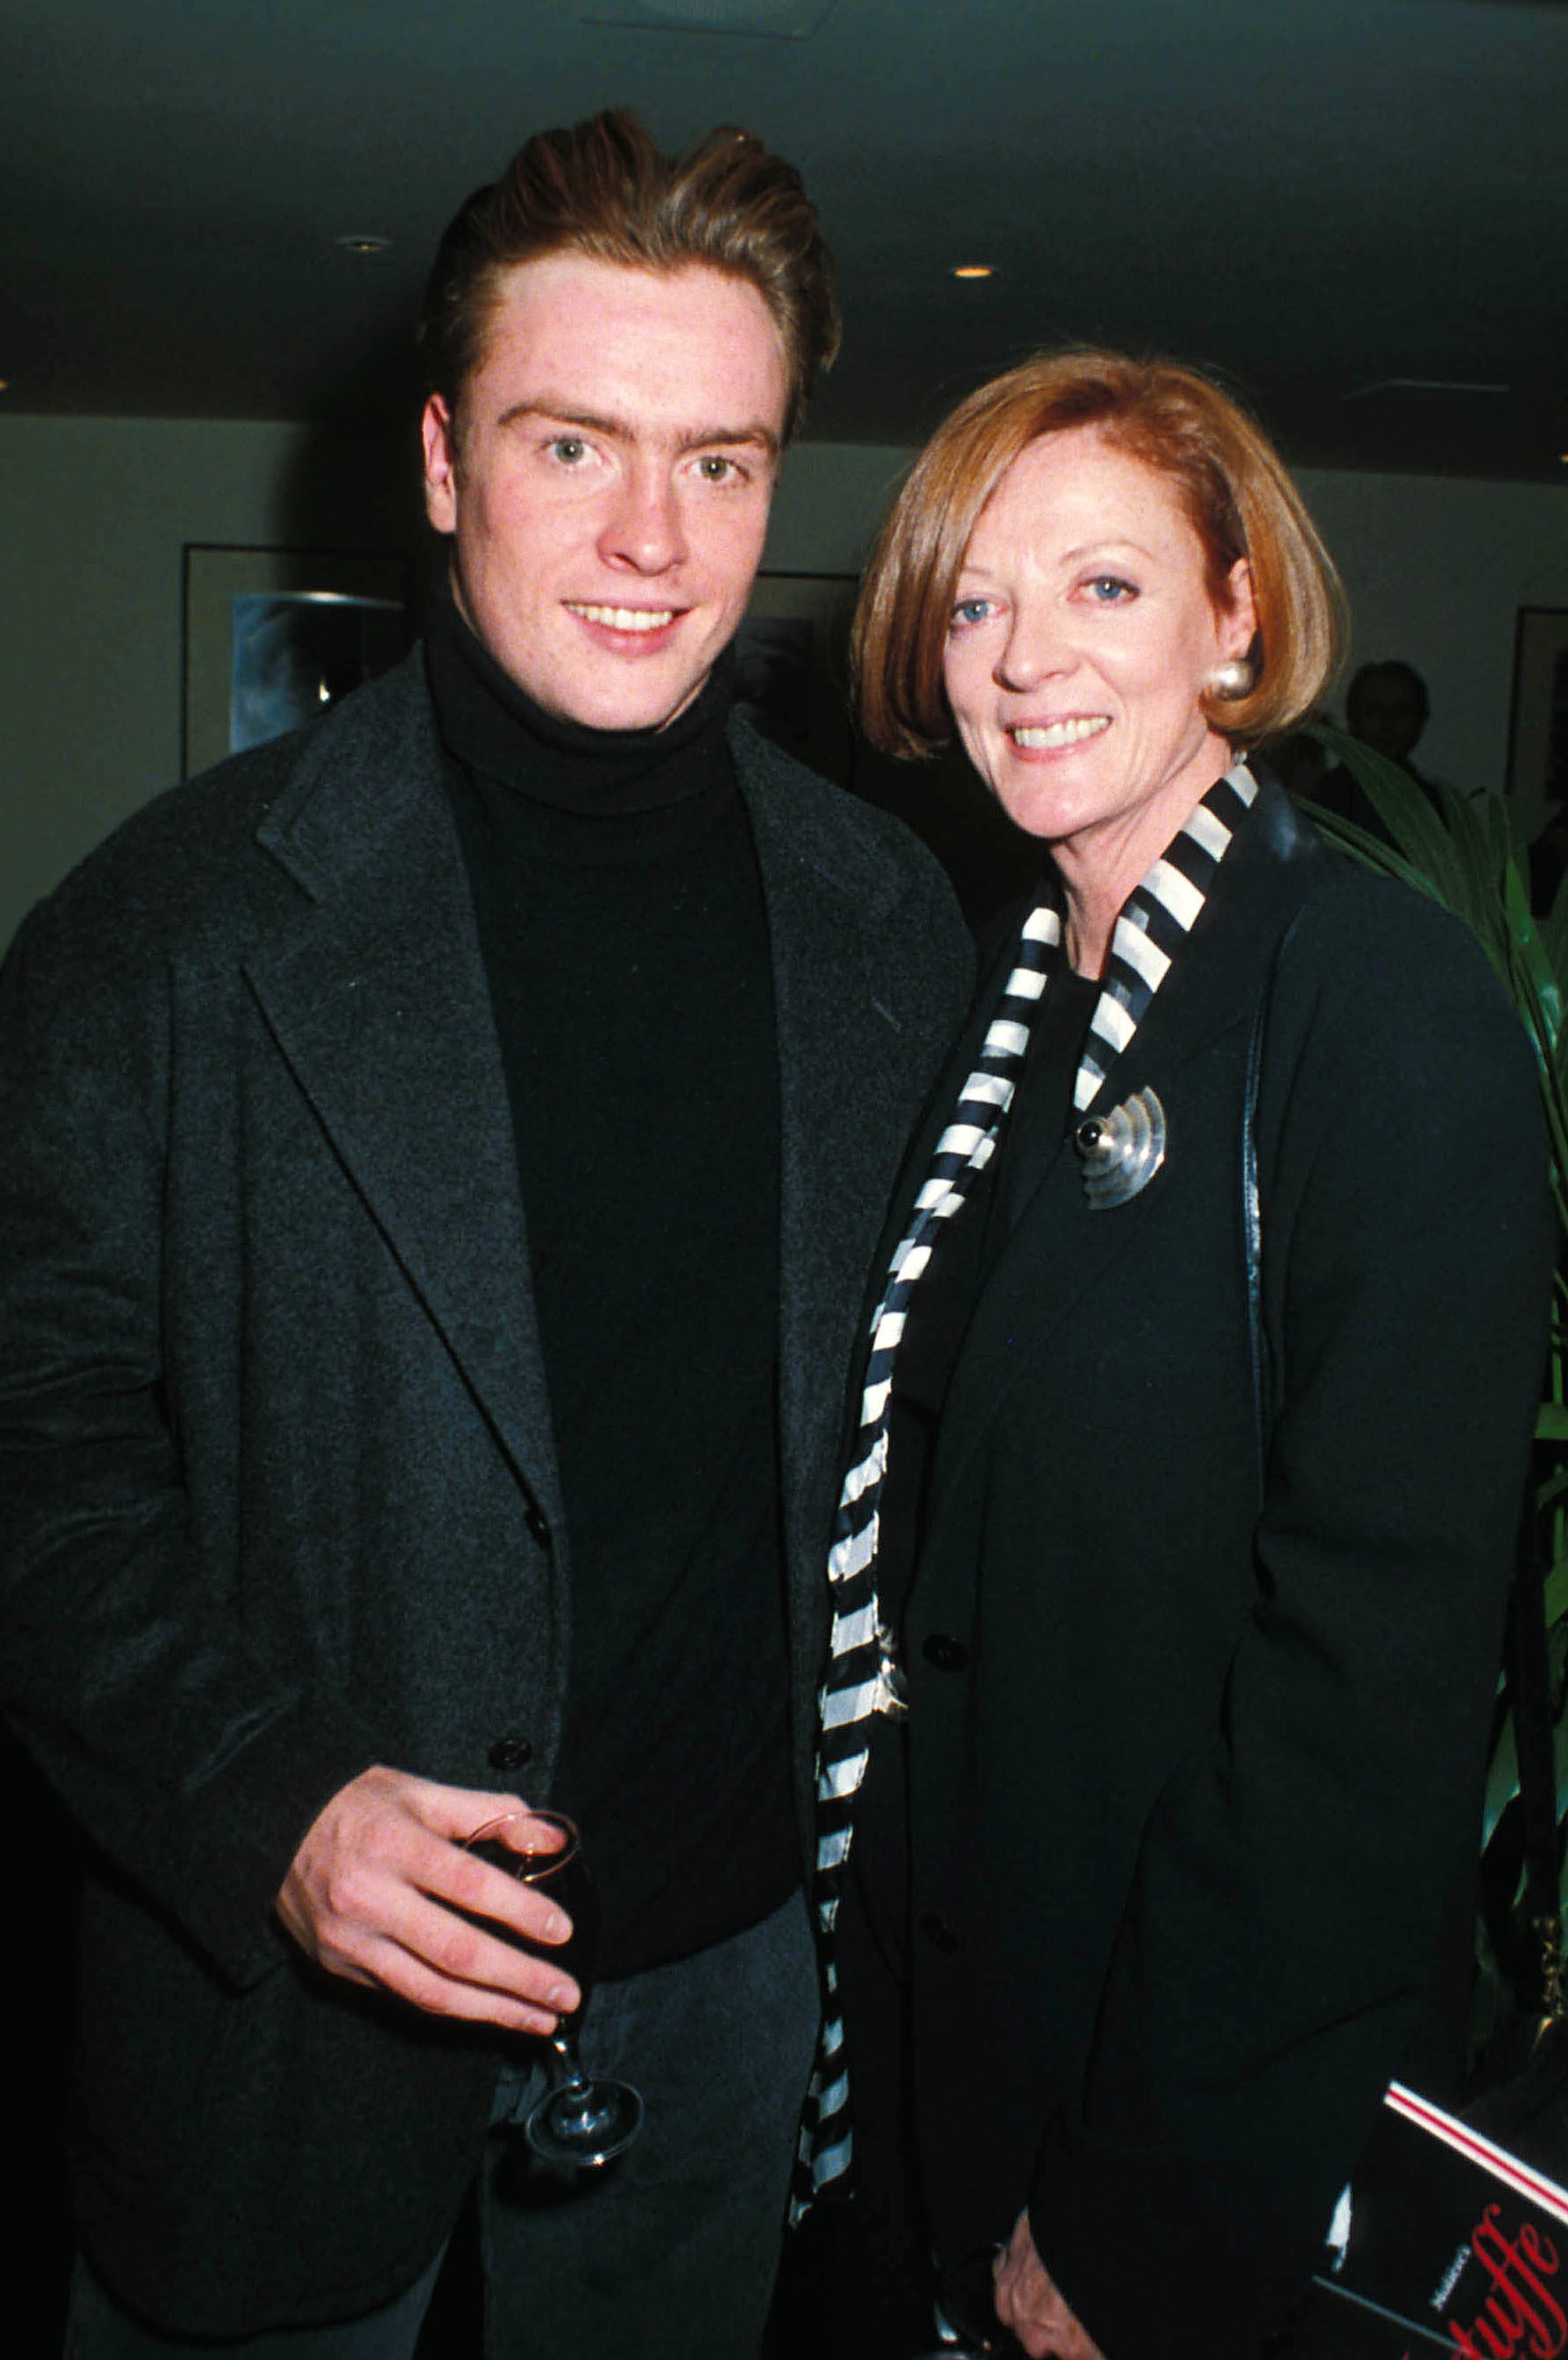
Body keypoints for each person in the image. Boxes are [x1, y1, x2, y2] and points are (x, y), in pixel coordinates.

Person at [0, 111, 973, 2359]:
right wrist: (264, 1796)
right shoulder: (164, 928)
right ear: (441, 461)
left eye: (722, 462)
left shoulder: (886, 919)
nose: (655, 539)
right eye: (575, 445)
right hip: (276, 2042)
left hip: (732, 2003)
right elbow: (30, 1431)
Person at [797, 350, 1552, 2358]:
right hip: (944, 2043)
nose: (1023, 656)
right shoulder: (999, 996)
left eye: (1103, 587)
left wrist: (1141, 2197)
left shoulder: (1376, 1007)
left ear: (1238, 611)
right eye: (975, 599)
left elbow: (1361, 1699)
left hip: (1171, 2123)